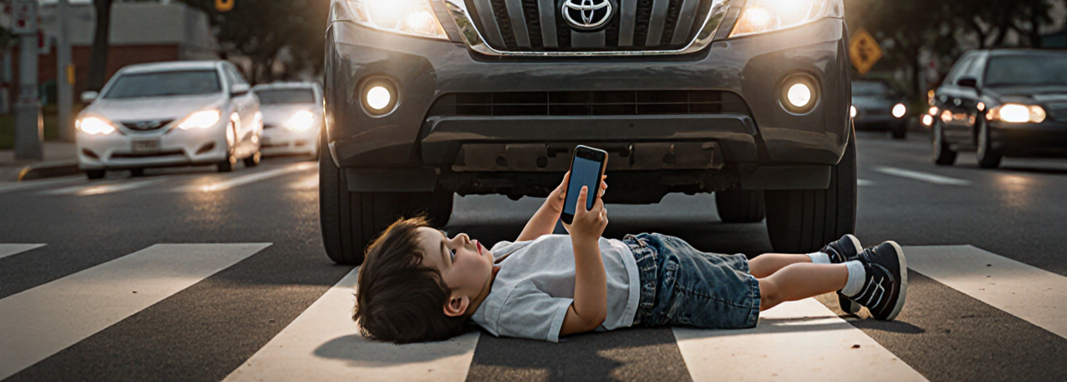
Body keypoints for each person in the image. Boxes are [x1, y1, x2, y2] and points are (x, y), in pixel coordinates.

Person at [353, 171, 907, 344]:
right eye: (450, 253)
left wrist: (553, 206)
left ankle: (828, 257)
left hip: (646, 257)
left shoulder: (493, 266)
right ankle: (862, 274)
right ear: (455, 303)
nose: (462, 240)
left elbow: (527, 244)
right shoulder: (502, 310)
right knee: (762, 292)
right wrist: (586, 243)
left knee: (745, 266)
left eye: (447, 236)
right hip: (657, 287)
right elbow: (585, 315)